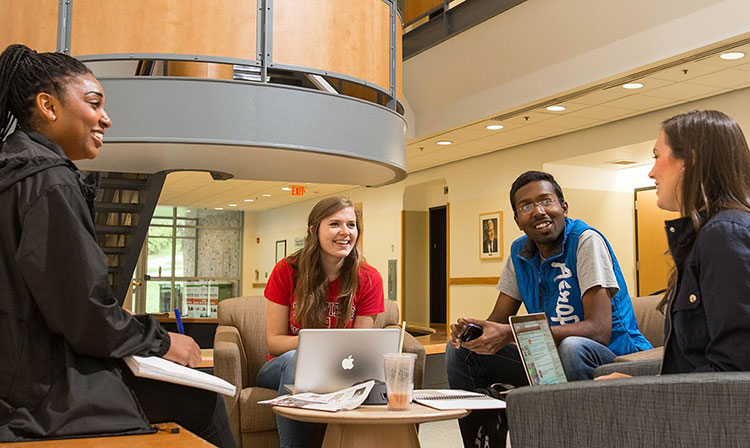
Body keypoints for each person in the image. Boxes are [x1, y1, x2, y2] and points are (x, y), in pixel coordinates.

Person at [0, 44, 235, 446]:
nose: (106, 119)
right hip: (38, 394)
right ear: (47, 106)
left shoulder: (16, 169)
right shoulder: (49, 181)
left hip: (15, 375)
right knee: (202, 399)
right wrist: (161, 340)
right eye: (94, 103)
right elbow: (83, 314)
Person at [446, 170, 651, 446]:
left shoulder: (586, 241)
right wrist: (474, 332)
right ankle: (485, 433)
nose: (538, 211)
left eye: (546, 201)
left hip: (612, 354)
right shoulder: (519, 253)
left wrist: (509, 334)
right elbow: (498, 320)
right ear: (518, 220)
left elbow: (599, 330)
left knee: (573, 346)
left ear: (563, 208)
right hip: (547, 361)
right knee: (462, 351)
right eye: (526, 207)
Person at [599, 110, 750, 380]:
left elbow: (734, 370)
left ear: (688, 163)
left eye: (657, 157)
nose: (651, 172)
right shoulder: (713, 234)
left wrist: (642, 391)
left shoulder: (723, 235)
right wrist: (641, 383)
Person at [257, 197, 385, 448]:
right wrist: (317, 346)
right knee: (296, 360)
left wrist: (326, 350)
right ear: (313, 229)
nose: (345, 232)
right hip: (282, 367)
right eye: (335, 224)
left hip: (338, 372)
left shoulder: (369, 278)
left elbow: (358, 348)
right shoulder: (286, 270)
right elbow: (274, 343)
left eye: (351, 225)